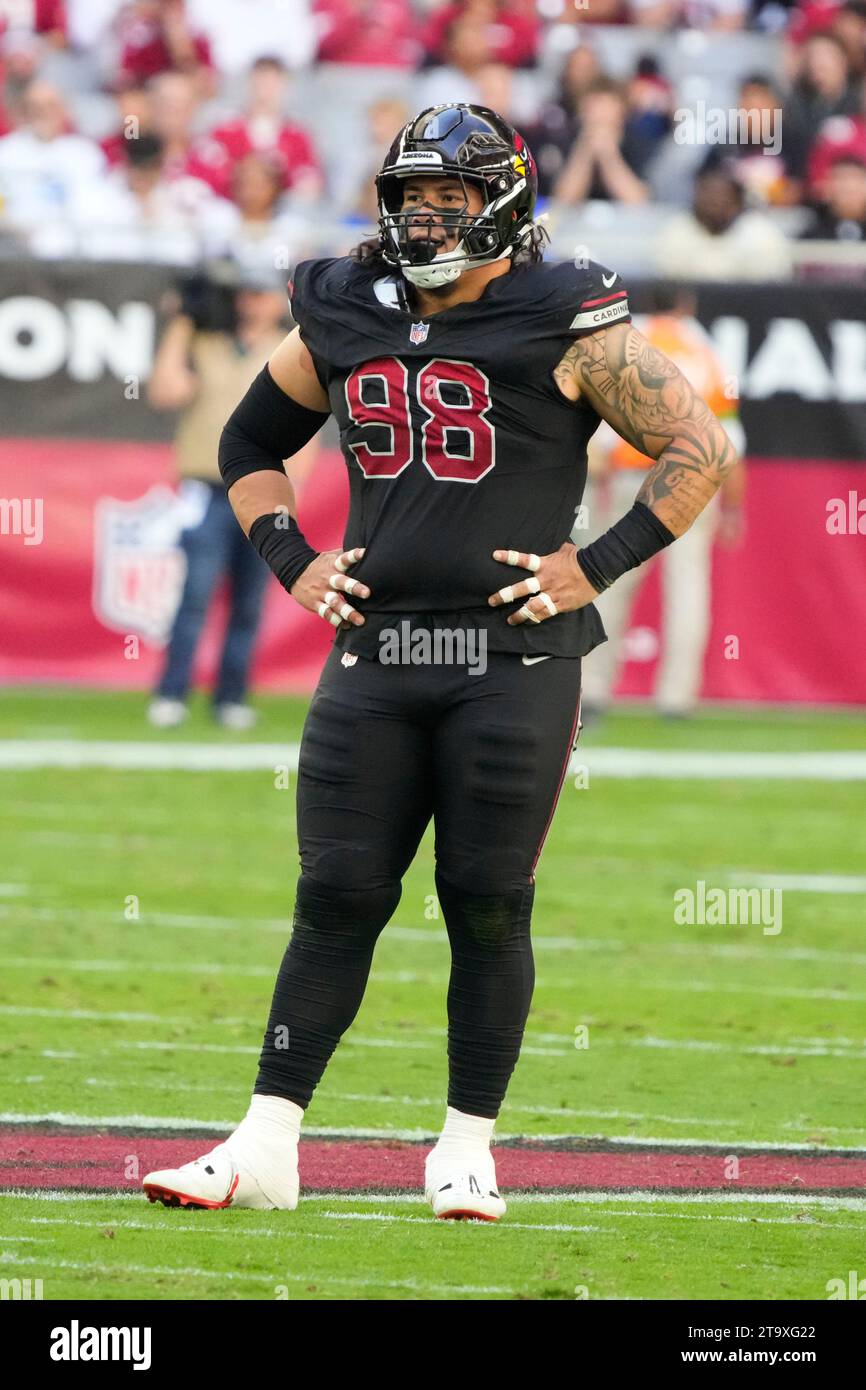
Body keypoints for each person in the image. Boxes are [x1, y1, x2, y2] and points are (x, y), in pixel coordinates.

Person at [142, 104, 738, 1221]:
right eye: (410, 196)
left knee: (484, 902)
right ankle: (267, 1142)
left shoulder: (561, 307)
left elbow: (696, 446)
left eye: (448, 198)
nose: (424, 217)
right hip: (375, 651)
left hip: (511, 655)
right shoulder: (342, 300)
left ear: (501, 201)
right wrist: (290, 557)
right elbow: (246, 443)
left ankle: (466, 1148)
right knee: (333, 898)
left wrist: (592, 564)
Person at [147, 262, 311, 730]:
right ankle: (172, 691)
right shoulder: (209, 344)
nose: (251, 303)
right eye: (245, 294)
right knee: (194, 595)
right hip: (207, 487)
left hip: (263, 491)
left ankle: (231, 697)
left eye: (261, 295)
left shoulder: (288, 349)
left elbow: (305, 428)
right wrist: (183, 321)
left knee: (248, 602)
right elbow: (164, 391)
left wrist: (289, 493)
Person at [578, 283, 746, 719]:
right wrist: (733, 505)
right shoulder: (706, 353)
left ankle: (593, 689)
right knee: (688, 590)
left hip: (633, 476)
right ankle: (677, 697)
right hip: (694, 479)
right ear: (686, 305)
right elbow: (730, 441)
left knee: (606, 580)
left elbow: (599, 437)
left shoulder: (627, 347)